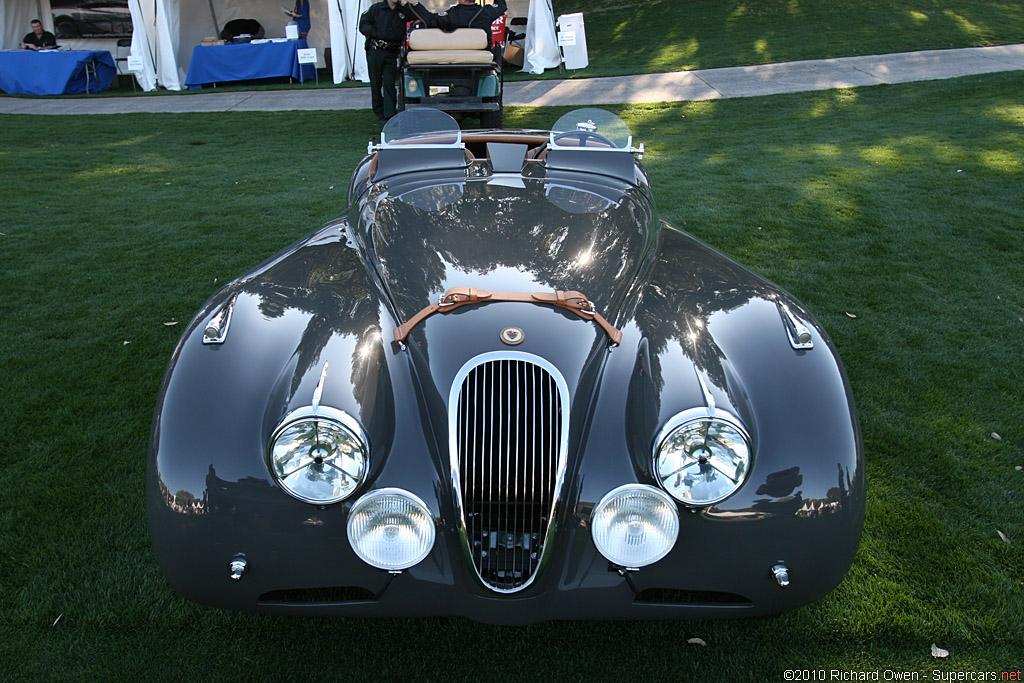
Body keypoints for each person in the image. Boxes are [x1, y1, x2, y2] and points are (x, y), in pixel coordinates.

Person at [359, 0, 433, 125]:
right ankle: (379, 111)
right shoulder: (376, 9)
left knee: (389, 83)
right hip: (376, 50)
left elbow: (424, 17)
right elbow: (363, 25)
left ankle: (389, 115)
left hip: (392, 52)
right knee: (376, 83)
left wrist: (414, 3)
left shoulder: (404, 10)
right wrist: (376, 33)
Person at [438, 0, 507, 44]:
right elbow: (501, 6)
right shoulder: (486, 12)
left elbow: (429, 20)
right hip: (482, 51)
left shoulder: (451, 14)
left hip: (455, 52)